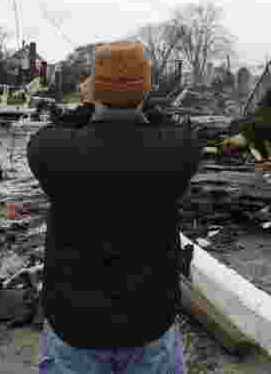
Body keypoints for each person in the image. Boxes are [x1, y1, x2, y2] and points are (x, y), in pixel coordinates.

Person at [27, 43, 201, 374]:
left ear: (95, 89)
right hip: (149, 322)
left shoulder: (53, 150)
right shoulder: (177, 149)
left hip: (74, 324)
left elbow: (52, 130)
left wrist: (87, 104)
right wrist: (136, 97)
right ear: (146, 89)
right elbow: (170, 126)